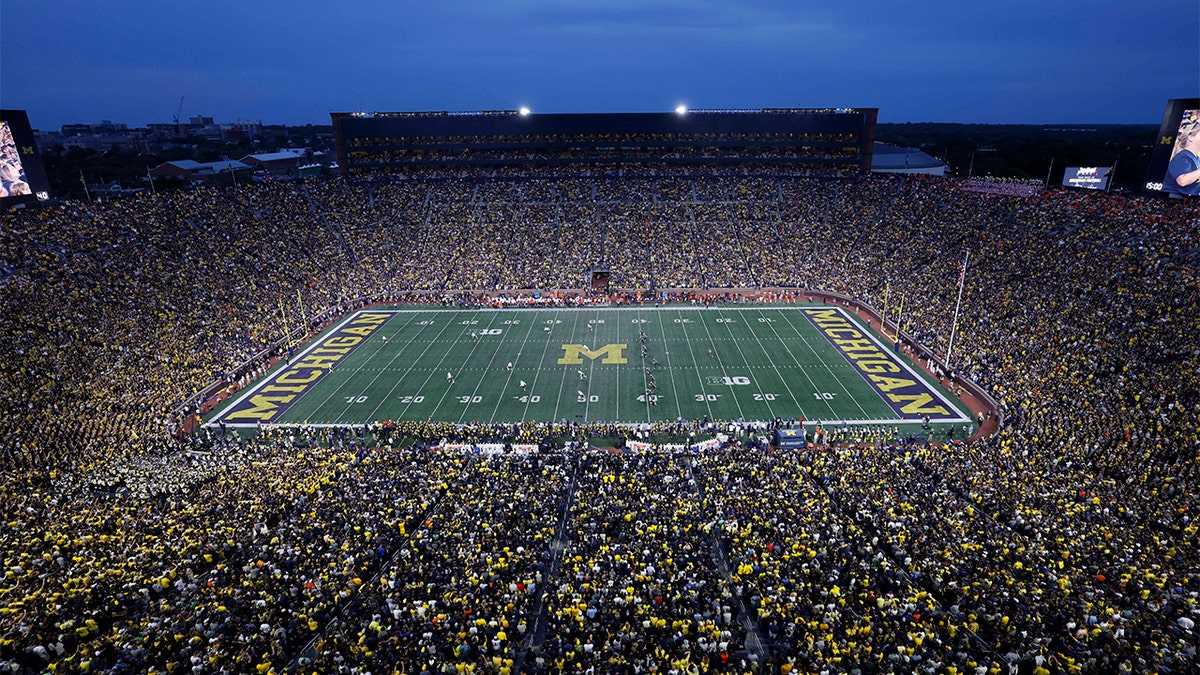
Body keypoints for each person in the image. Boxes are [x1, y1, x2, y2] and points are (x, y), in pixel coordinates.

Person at [1163, 124, 1200, 195]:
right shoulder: (1182, 157)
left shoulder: (1197, 159)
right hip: (1174, 197)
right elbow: (1182, 181)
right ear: (1190, 137)